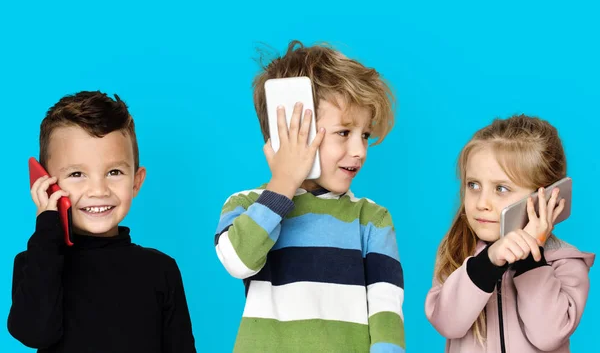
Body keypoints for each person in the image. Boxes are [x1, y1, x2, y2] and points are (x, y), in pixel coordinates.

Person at [214, 40, 405, 352]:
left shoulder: (372, 219)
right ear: (287, 130)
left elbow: (387, 310)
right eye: (344, 133)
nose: (358, 151)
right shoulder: (248, 205)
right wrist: (283, 183)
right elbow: (238, 261)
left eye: (365, 135)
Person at [8, 91, 197, 353]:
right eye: (76, 174)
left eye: (114, 172)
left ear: (136, 181)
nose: (99, 190)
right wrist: (47, 230)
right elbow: (35, 333)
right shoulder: (36, 263)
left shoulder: (160, 269)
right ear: (46, 184)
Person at [425, 114, 595, 352]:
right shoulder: (458, 252)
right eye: (473, 185)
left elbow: (548, 335)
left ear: (544, 197)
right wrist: (488, 261)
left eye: (501, 189)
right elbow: (448, 323)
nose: (482, 202)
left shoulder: (566, 263)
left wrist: (530, 255)